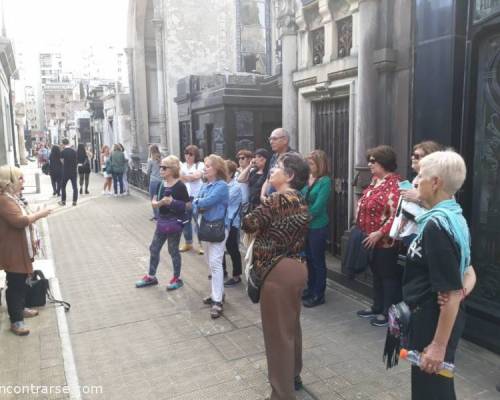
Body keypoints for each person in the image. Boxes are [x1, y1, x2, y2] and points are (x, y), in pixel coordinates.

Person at [402, 150, 472, 400]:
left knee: (430, 392)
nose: (416, 181)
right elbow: (468, 271)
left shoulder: (437, 226)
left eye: (421, 175)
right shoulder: (453, 215)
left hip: (433, 322)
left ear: (436, 182)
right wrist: (460, 291)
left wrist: (438, 346)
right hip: (435, 317)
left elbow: (451, 293)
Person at [242, 152, 310, 400]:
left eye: (277, 167)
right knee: (292, 327)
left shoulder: (275, 200)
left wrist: (257, 199)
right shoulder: (300, 198)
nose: (272, 171)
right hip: (298, 266)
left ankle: (282, 394)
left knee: (277, 336)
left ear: (289, 175)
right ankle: (293, 375)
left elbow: (248, 223)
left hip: (276, 270)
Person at [0, 165, 52, 335]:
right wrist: (40, 214)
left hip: (19, 247)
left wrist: (34, 214)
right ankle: (16, 320)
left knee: (20, 281)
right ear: (9, 182)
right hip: (12, 250)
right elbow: (20, 221)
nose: (23, 181)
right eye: (20, 178)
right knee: (15, 283)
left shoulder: (12, 197)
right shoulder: (4, 200)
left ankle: (21, 309)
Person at [356, 145, 402, 327]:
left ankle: (386, 311)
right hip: (370, 237)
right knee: (376, 274)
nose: (369, 164)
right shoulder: (375, 181)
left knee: (387, 276)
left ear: (384, 163)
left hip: (386, 241)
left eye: (373, 161)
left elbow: (397, 215)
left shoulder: (395, 184)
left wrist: (381, 232)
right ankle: (377, 306)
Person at [135, 156, 190, 290]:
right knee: (154, 248)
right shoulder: (161, 184)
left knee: (173, 251)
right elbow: (154, 202)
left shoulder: (180, 186)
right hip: (162, 221)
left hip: (174, 223)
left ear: (172, 169)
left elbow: (188, 206)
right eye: (160, 167)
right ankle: (151, 276)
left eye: (164, 167)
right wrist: (160, 203)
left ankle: (177, 278)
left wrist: (173, 202)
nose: (161, 170)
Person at [192, 154, 229, 319]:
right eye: (204, 166)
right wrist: (198, 203)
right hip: (205, 228)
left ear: (217, 169)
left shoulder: (221, 186)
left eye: (207, 166)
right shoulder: (205, 185)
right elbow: (197, 204)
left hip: (219, 228)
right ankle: (218, 292)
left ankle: (217, 302)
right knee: (209, 262)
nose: (204, 169)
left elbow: (204, 202)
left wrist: (197, 203)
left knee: (215, 263)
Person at [301, 150, 332, 308]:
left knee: (317, 259)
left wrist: (304, 216)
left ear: (319, 164)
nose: (308, 166)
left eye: (311, 163)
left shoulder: (325, 181)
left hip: (317, 225)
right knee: (309, 259)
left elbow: (319, 206)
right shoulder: (307, 179)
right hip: (306, 225)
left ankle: (319, 293)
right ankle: (311, 287)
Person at [180, 145, 205, 254]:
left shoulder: (200, 165)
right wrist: (188, 177)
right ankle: (188, 243)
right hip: (185, 197)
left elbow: (196, 177)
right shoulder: (182, 166)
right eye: (186, 153)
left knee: (198, 222)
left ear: (195, 155)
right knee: (186, 221)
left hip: (197, 197)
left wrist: (185, 177)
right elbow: (179, 179)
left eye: (191, 154)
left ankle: (201, 244)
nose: (188, 156)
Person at [260, 128, 295, 203]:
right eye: (270, 139)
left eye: (274, 139)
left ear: (285, 140)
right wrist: (262, 195)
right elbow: (268, 178)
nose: (271, 142)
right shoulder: (274, 157)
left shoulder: (293, 158)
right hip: (270, 201)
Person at [222, 160, 243, 287]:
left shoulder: (236, 187)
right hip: (221, 221)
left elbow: (224, 201)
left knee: (232, 248)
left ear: (229, 173)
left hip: (231, 223)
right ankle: (222, 271)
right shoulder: (222, 184)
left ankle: (236, 276)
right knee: (219, 248)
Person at [238, 148, 271, 213]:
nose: (255, 159)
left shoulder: (268, 173)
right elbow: (240, 179)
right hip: (251, 205)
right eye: (255, 157)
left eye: (258, 157)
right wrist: (250, 166)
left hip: (262, 205)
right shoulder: (253, 172)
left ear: (265, 159)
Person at [59, 138, 78, 206]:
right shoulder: (74, 151)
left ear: (63, 144)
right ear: (68, 143)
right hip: (73, 171)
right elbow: (76, 161)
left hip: (66, 171)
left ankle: (63, 201)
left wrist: (66, 164)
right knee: (74, 187)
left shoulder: (63, 152)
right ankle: (74, 201)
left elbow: (61, 161)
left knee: (63, 186)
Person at [147, 145, 162, 220]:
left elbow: (148, 172)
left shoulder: (151, 160)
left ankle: (156, 215)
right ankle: (161, 214)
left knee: (153, 199)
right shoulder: (161, 159)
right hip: (161, 181)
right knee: (160, 198)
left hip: (153, 181)